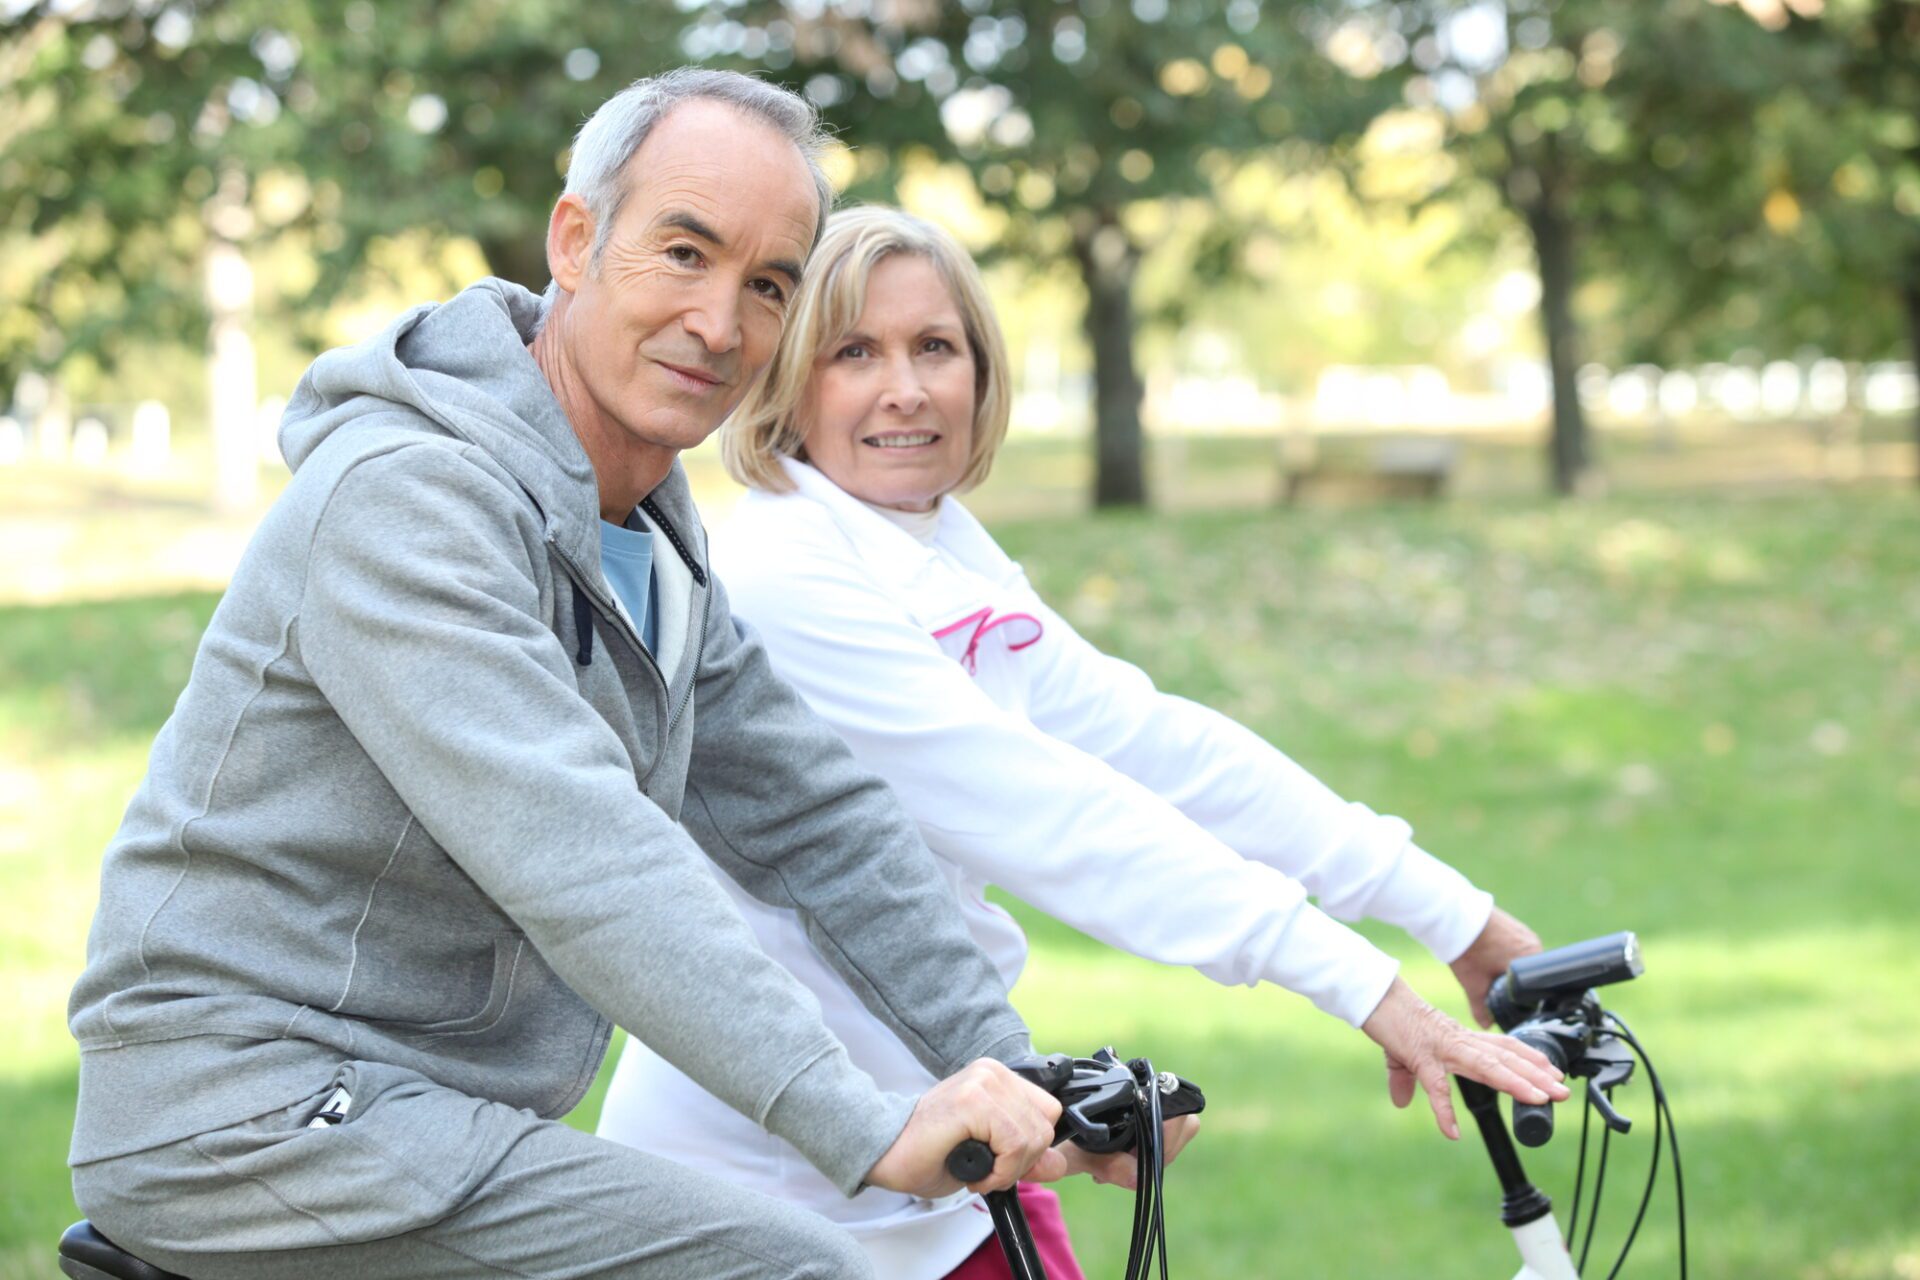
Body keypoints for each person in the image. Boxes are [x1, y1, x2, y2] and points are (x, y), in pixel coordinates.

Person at [64, 74, 1133, 1280]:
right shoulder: (405, 502)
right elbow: (584, 855)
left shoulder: (652, 543)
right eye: (684, 251)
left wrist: (1018, 1070)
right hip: (247, 1115)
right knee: (791, 1267)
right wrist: (864, 1120)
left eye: (768, 284)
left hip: (427, 1117)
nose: (720, 324)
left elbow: (817, 817)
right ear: (576, 240)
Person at [594, 206, 1569, 1280]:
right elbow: (1049, 812)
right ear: (790, 381)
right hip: (773, 1181)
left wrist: (1457, 914)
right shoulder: (785, 574)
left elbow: (1152, 741)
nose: (905, 388)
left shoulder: (935, 549)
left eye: (936, 347)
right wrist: (1372, 993)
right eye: (853, 352)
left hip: (953, 1141)